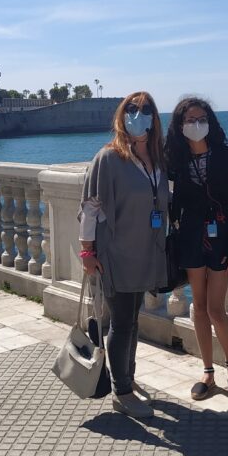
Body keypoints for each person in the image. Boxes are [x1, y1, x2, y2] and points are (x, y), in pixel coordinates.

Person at [78, 91, 169, 418]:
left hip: (145, 252)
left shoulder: (156, 159)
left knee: (132, 320)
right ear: (121, 115)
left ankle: (127, 378)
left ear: (154, 118)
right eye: (131, 109)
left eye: (145, 110)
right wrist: (87, 251)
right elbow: (90, 207)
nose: (138, 115)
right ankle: (122, 391)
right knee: (121, 322)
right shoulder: (109, 158)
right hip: (116, 252)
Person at [164, 96, 228, 401]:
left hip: (221, 237)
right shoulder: (175, 159)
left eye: (201, 119)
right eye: (189, 120)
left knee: (216, 307)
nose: (196, 125)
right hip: (189, 237)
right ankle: (208, 371)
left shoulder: (224, 155)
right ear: (180, 125)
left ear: (209, 122)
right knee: (198, 306)